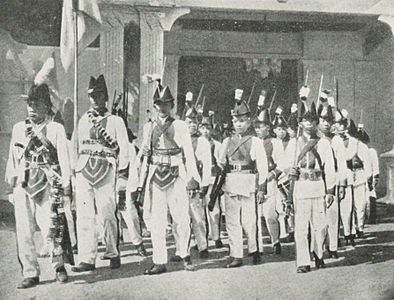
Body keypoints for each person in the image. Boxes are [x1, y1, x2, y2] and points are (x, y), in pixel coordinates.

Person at [6, 83, 72, 288]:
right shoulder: (19, 129)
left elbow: (64, 159)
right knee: (24, 230)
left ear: (46, 106)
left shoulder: (55, 129)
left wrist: (67, 186)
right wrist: (11, 185)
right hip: (23, 184)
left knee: (50, 227)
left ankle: (58, 266)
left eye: (36, 104)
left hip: (48, 183)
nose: (32, 108)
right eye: (29, 104)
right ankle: (30, 272)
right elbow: (13, 159)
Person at [139, 84, 201, 275]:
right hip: (156, 175)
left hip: (176, 174)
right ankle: (159, 260)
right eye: (159, 104)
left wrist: (192, 178)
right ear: (154, 105)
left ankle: (184, 254)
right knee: (157, 220)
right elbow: (145, 155)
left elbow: (188, 154)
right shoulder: (149, 126)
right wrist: (140, 182)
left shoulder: (180, 125)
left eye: (166, 104)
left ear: (172, 105)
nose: (162, 107)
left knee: (181, 217)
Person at [71, 75, 129, 272]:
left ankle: (113, 252)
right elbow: (75, 146)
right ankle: (87, 258)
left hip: (106, 168)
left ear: (105, 97)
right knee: (85, 216)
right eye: (92, 95)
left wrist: (122, 173)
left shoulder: (115, 121)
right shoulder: (83, 120)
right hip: (84, 170)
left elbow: (124, 148)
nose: (96, 99)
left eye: (99, 95)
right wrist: (73, 171)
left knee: (107, 213)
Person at [218, 89, 268, 268]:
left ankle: (254, 250)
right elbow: (221, 163)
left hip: (247, 182)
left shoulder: (255, 141)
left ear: (249, 122)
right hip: (231, 182)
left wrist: (262, 188)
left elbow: (262, 167)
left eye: (242, 121)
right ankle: (236, 254)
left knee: (249, 220)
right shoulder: (226, 141)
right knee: (231, 220)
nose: (238, 124)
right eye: (236, 121)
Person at [287, 102, 336, 273]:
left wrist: (330, 191)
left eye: (312, 120)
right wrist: (289, 169)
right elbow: (286, 165)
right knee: (300, 226)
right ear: (300, 123)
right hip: (301, 186)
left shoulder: (322, 143)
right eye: (305, 120)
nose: (308, 123)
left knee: (321, 226)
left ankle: (318, 253)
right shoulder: (293, 144)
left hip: (317, 186)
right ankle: (303, 261)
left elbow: (329, 168)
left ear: (316, 122)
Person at [174, 101, 210, 259]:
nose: (193, 125)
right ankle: (180, 249)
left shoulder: (201, 141)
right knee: (179, 219)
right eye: (189, 122)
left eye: (195, 122)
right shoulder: (177, 139)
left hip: (194, 181)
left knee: (198, 218)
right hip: (178, 180)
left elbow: (207, 164)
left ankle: (202, 246)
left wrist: (204, 184)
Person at [332, 110, 372, 245]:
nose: (341, 128)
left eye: (343, 125)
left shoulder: (355, 142)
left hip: (353, 175)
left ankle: (355, 230)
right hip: (339, 176)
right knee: (341, 207)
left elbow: (353, 157)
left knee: (355, 206)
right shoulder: (333, 141)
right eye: (338, 125)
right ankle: (343, 234)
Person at [316, 103, 346, 259]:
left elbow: (341, 163)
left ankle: (332, 246)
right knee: (317, 218)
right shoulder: (313, 139)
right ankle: (317, 248)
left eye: (329, 120)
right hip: (315, 180)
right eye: (323, 119)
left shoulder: (337, 140)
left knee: (332, 215)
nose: (326, 123)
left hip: (332, 179)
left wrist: (341, 184)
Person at [253, 108, 282, 255]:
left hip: (270, 181)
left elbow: (282, 162)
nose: (259, 130)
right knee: (256, 215)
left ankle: (275, 240)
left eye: (262, 126)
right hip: (256, 181)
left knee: (270, 214)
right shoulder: (252, 142)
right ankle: (258, 247)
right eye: (256, 127)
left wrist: (274, 172)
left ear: (268, 127)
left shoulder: (275, 142)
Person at [199, 112, 224, 248]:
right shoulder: (195, 143)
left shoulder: (217, 144)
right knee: (199, 211)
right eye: (202, 128)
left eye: (207, 128)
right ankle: (202, 240)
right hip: (200, 178)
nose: (205, 131)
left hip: (213, 178)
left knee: (214, 209)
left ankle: (216, 236)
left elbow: (221, 162)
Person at [271, 106, 295, 243]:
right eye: (279, 129)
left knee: (290, 204)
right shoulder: (274, 143)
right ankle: (283, 232)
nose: (282, 132)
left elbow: (291, 160)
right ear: (274, 130)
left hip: (289, 176)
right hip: (278, 176)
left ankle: (292, 229)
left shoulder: (292, 143)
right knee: (280, 206)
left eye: (283, 129)